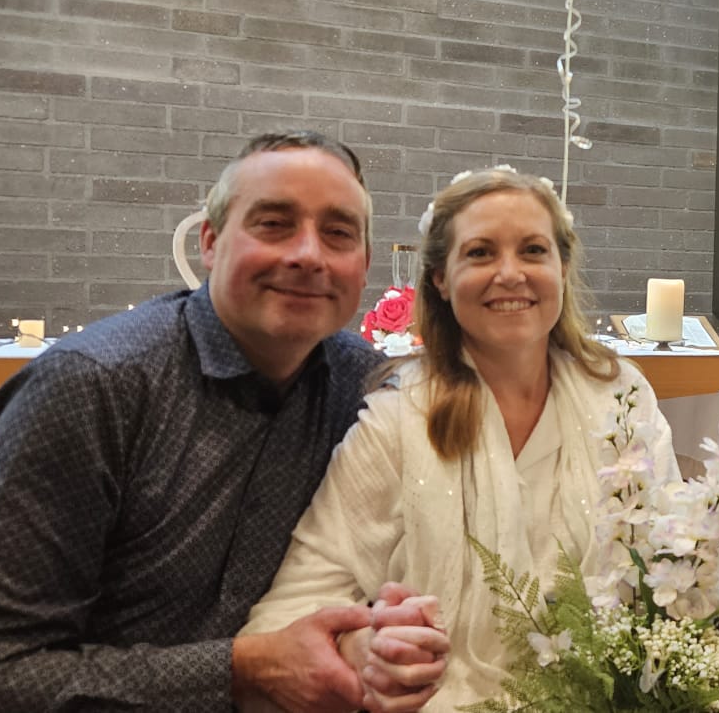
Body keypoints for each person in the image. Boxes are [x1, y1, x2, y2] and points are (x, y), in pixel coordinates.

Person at [0, 131, 432, 713]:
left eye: (337, 233)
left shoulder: (365, 389)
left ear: (364, 264)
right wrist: (241, 669)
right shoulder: (91, 387)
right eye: (273, 223)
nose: (308, 254)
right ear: (210, 241)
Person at [240, 167, 678, 710]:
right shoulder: (400, 419)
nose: (510, 274)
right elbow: (296, 604)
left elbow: (675, 566)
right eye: (480, 253)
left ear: (562, 267)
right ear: (440, 280)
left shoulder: (622, 398)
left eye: (534, 250)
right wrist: (365, 649)